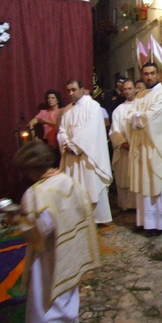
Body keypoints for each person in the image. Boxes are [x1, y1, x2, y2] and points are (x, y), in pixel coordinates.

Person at [8, 141, 100, 323]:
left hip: (48, 256)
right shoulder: (69, 181)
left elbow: (38, 233)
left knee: (46, 300)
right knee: (67, 292)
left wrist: (17, 219)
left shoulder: (36, 193)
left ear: (32, 169)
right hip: (70, 251)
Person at [127, 62, 162, 237]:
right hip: (142, 146)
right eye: (145, 74)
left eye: (152, 73)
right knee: (144, 182)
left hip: (157, 147)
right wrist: (137, 117)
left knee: (156, 181)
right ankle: (145, 221)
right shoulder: (141, 94)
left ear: (158, 74)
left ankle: (160, 223)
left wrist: (137, 117)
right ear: (142, 75)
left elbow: (152, 117)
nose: (149, 77)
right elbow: (129, 116)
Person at [58, 79, 113, 224]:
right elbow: (61, 130)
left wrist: (75, 146)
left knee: (91, 185)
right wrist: (66, 143)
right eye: (68, 90)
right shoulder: (67, 110)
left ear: (82, 89)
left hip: (87, 156)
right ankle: (79, 218)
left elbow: (91, 130)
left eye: (74, 89)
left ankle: (97, 219)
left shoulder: (93, 106)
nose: (71, 93)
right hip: (72, 157)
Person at [109, 79, 136, 211]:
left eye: (130, 88)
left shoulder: (142, 106)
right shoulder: (118, 110)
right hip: (124, 149)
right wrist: (123, 143)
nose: (127, 91)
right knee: (124, 176)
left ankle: (139, 205)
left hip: (138, 149)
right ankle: (126, 204)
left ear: (135, 89)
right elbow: (114, 130)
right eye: (125, 89)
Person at [28, 89, 63, 165]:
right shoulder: (44, 112)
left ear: (57, 100)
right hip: (47, 144)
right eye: (48, 98)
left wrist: (46, 122)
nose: (50, 100)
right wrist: (34, 137)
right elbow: (31, 123)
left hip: (59, 143)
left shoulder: (62, 111)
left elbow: (60, 124)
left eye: (53, 98)